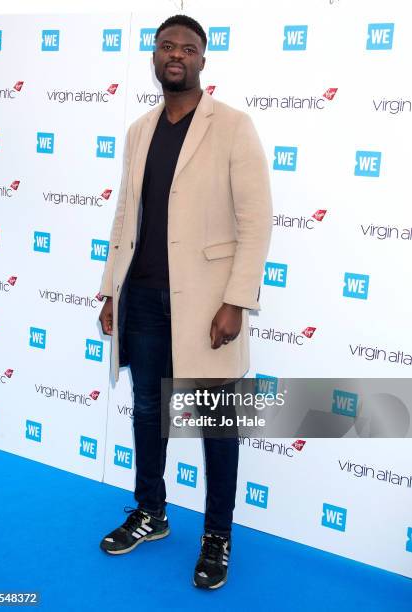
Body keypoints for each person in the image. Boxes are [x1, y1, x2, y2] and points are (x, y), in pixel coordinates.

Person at [98, 14, 272, 590]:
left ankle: (218, 537)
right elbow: (125, 217)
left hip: (207, 308)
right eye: (167, 46)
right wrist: (110, 292)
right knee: (148, 413)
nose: (177, 55)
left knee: (216, 426)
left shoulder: (233, 126)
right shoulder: (139, 131)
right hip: (143, 300)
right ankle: (151, 513)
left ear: (203, 60)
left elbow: (256, 222)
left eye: (188, 48)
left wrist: (236, 301)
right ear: (155, 57)